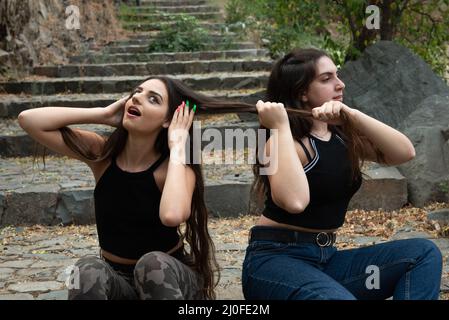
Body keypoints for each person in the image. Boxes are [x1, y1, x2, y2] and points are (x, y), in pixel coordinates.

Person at [18, 76, 246, 300]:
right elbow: (28, 120)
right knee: (85, 269)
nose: (137, 98)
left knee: (151, 264)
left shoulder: (175, 169)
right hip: (118, 281)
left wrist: (177, 146)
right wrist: (103, 114)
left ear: (168, 120)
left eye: (153, 99)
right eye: (137, 92)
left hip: (168, 277)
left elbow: (172, 215)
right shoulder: (102, 155)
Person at [242, 48, 443, 300]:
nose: (340, 84)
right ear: (301, 92)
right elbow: (294, 202)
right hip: (275, 263)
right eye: (326, 79)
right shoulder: (281, 143)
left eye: (337, 75)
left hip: (328, 262)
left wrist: (354, 115)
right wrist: (280, 126)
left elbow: (404, 152)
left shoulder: (341, 136)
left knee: (422, 254)